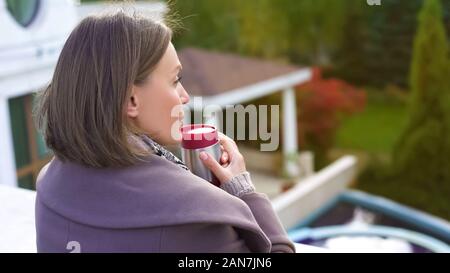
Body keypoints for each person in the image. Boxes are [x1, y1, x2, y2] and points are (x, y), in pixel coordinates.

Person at [34, 10, 294, 253]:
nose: (185, 96)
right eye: (175, 80)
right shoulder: (196, 216)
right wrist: (242, 189)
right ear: (131, 100)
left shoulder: (49, 188)